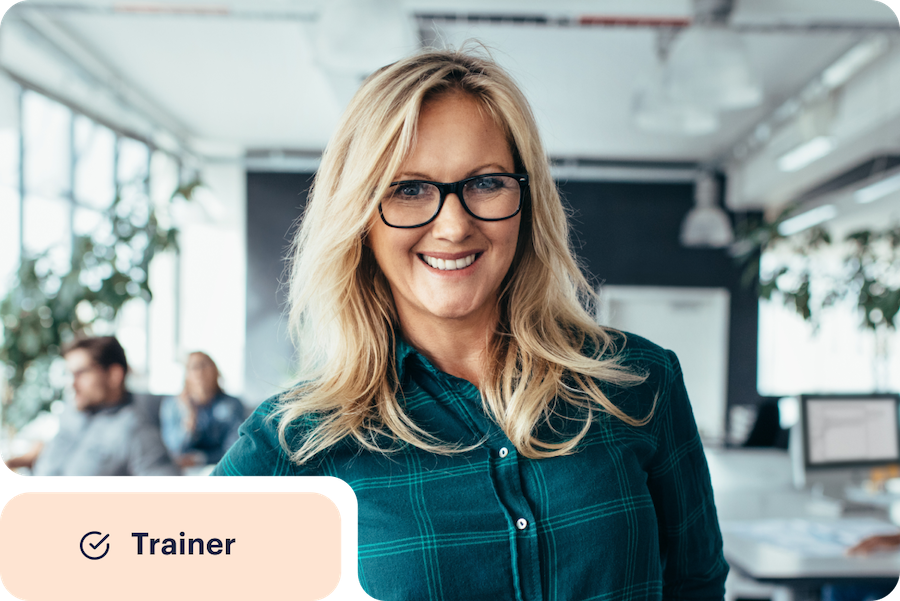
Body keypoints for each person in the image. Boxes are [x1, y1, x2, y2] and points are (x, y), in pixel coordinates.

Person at [212, 48, 728, 600]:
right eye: (409, 189)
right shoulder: (294, 444)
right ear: (360, 216)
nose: (454, 226)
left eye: (485, 183)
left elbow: (696, 586)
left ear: (526, 199)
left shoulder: (639, 382)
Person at [5, 336, 179, 477]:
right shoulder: (73, 415)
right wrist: (17, 462)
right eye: (69, 374)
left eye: (80, 373)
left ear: (114, 375)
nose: (72, 384)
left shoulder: (135, 431)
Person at [159, 351, 244, 468]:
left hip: (219, 466)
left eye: (205, 365)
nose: (200, 372)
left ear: (215, 371)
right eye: (194, 367)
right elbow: (171, 450)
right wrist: (189, 419)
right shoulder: (172, 405)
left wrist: (201, 459)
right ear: (186, 375)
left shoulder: (231, 405)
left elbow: (235, 448)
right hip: (182, 471)